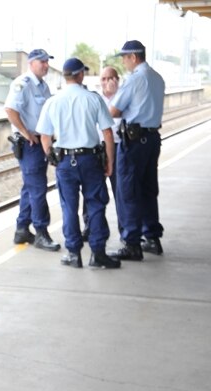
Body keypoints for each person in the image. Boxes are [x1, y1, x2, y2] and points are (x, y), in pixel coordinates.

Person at [36, 58, 120, 269]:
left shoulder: (52, 102)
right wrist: (110, 161)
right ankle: (98, 254)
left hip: (65, 161)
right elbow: (107, 133)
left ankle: (73, 254)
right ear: (81, 74)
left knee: (69, 208)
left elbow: (44, 136)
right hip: (91, 160)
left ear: (65, 76)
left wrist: (53, 158)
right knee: (96, 205)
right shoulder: (93, 99)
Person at [108, 40, 165, 260]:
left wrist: (113, 94)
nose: (123, 62)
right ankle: (152, 237)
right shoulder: (157, 78)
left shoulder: (135, 80)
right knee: (149, 189)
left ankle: (132, 243)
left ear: (133, 57)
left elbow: (113, 110)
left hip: (133, 143)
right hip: (151, 139)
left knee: (129, 191)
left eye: (124, 58)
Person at [4, 48, 61, 251]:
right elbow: (10, 110)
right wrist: (26, 133)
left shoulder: (43, 87)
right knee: (38, 188)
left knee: (30, 187)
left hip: (39, 142)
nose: (46, 65)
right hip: (30, 144)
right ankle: (41, 232)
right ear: (31, 63)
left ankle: (21, 229)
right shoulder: (23, 84)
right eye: (42, 62)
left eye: (47, 62)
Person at [82, 66, 122, 240]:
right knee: (92, 191)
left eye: (110, 78)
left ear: (117, 80)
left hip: (119, 147)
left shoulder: (123, 96)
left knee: (121, 191)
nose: (107, 82)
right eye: (103, 79)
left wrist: (115, 95)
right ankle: (89, 226)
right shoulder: (94, 97)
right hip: (97, 148)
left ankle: (125, 231)